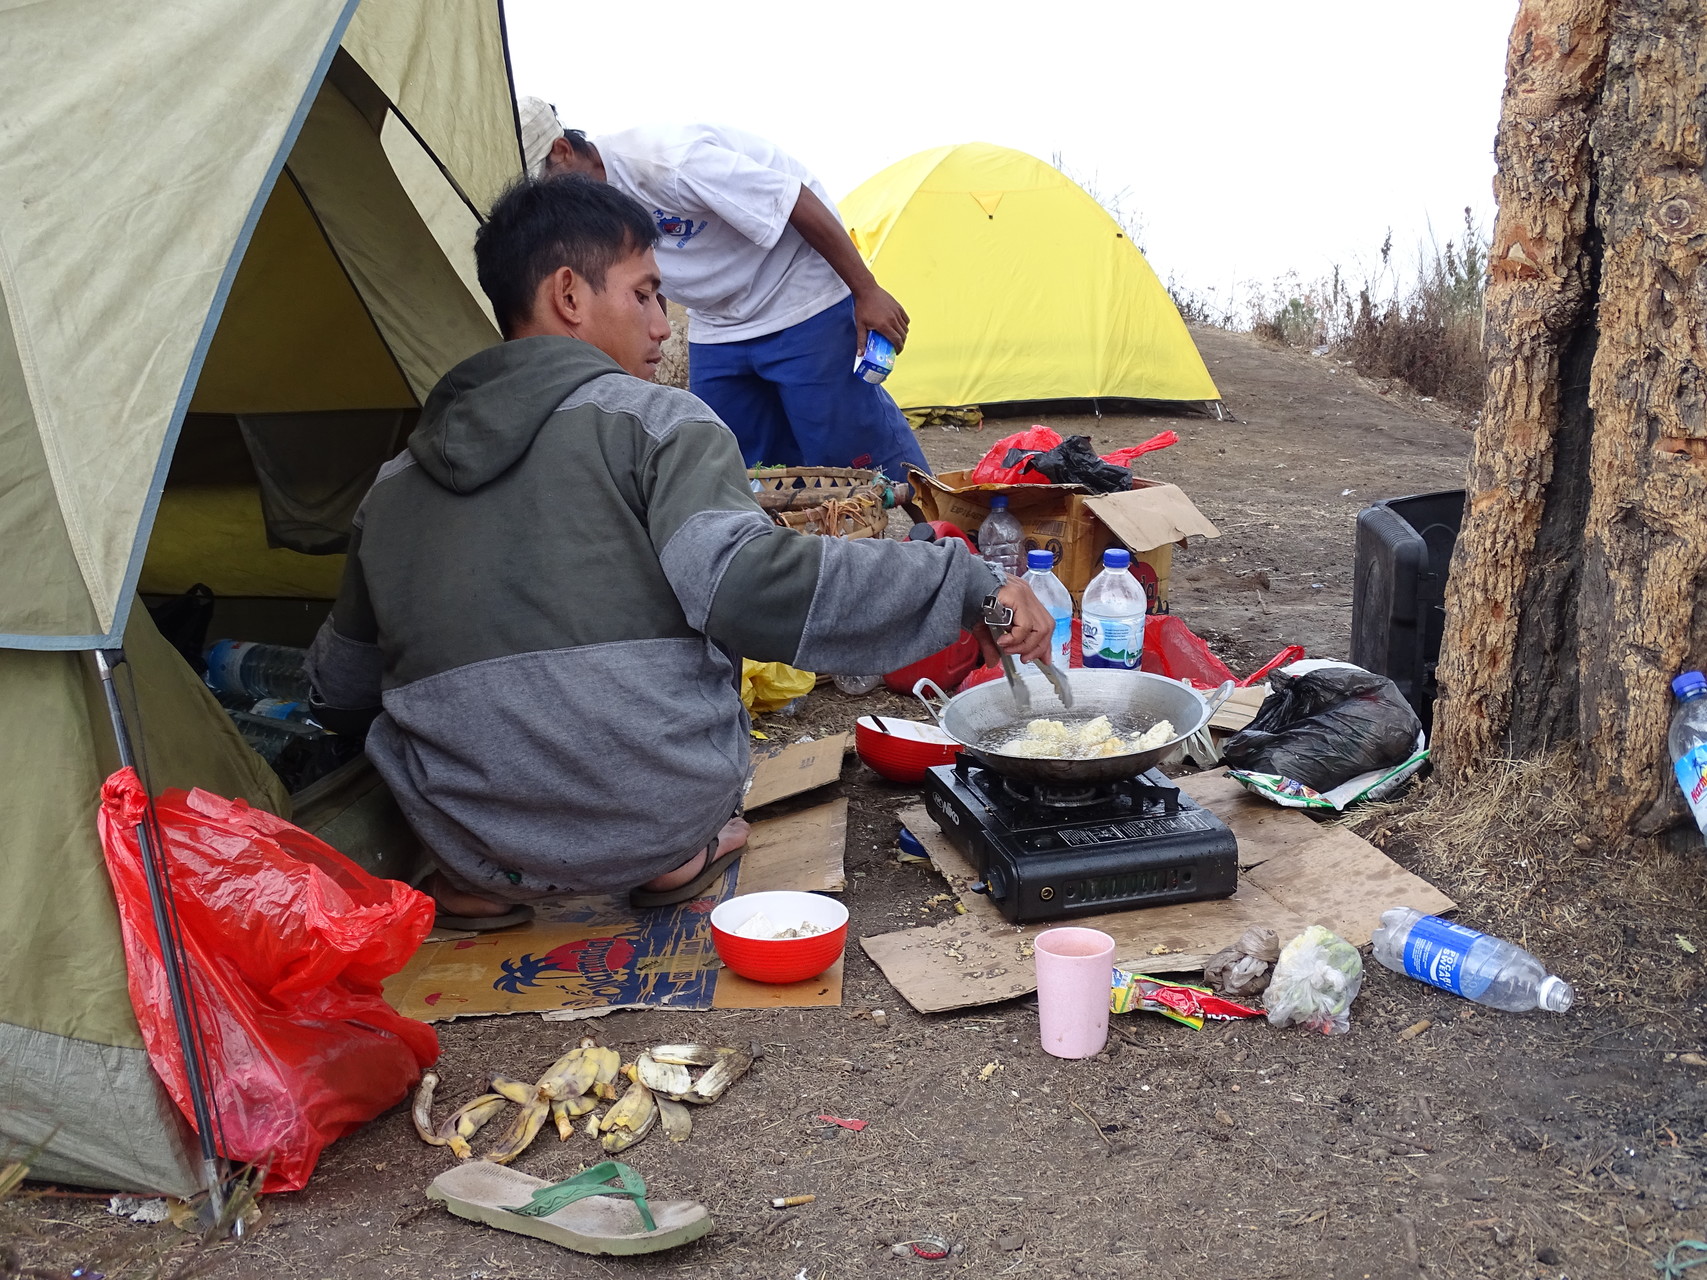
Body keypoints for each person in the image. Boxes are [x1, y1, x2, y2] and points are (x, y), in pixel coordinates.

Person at [306, 174, 1052, 926]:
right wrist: (970, 586)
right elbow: (748, 586)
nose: (664, 325)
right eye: (646, 293)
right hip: (653, 817)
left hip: (468, 837)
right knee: (682, 699)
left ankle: (484, 885)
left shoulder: (392, 485)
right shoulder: (659, 423)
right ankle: (674, 859)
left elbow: (339, 688)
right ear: (569, 295)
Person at [517, 98, 929, 481]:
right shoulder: (587, 209)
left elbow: (793, 199)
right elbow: (642, 277)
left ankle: (944, 542)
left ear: (563, 150)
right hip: (718, 324)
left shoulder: (666, 160)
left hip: (799, 296)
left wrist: (866, 291)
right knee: (741, 468)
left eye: (546, 180)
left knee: (852, 454)